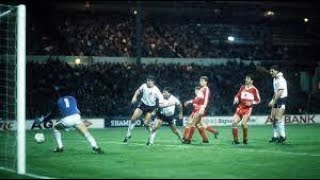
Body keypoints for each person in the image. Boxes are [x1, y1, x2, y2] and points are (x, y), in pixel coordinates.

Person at [35, 86, 103, 153]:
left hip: (67, 120)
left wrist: (43, 120)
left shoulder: (58, 101)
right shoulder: (73, 98)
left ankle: (60, 147)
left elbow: (52, 114)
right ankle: (95, 146)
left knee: (55, 127)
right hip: (77, 117)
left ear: (59, 94)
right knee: (86, 133)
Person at [123, 75, 165, 143]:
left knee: (146, 124)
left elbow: (161, 100)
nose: (148, 82)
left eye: (150, 81)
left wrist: (157, 109)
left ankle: (152, 135)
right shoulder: (144, 86)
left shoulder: (156, 90)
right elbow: (138, 91)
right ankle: (128, 134)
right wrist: (134, 97)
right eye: (147, 81)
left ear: (153, 82)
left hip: (150, 108)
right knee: (133, 118)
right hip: (143, 105)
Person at [232, 74, 261, 145]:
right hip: (240, 108)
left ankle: (245, 139)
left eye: (248, 79)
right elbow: (237, 95)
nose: (246, 80)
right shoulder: (242, 88)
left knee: (243, 123)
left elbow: (258, 100)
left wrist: (251, 103)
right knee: (234, 123)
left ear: (252, 81)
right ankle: (236, 140)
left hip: (248, 109)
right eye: (246, 78)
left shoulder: (254, 90)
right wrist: (236, 99)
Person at [182, 76, 212, 144]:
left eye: (202, 81)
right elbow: (197, 99)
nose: (200, 82)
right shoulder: (201, 89)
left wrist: (203, 108)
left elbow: (206, 99)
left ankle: (188, 139)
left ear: (206, 82)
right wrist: (190, 102)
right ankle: (205, 139)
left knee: (193, 123)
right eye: (200, 81)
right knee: (197, 124)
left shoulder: (206, 89)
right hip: (198, 109)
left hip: (200, 109)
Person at [268, 65, 288, 143]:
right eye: (270, 71)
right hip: (277, 100)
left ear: (277, 71)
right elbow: (276, 92)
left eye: (272, 71)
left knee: (278, 118)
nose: (270, 72)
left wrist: (273, 101)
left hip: (282, 100)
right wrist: (272, 100)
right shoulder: (274, 79)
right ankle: (275, 136)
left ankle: (283, 136)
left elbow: (280, 92)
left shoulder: (281, 79)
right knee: (272, 118)